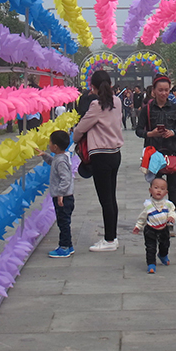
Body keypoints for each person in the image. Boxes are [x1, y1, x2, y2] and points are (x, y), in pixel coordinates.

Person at [74, 70, 124, 252]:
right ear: (110, 84)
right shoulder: (117, 101)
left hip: (100, 156)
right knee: (111, 196)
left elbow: (81, 128)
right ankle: (113, 237)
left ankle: (109, 240)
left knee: (105, 200)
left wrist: (75, 137)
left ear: (92, 87)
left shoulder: (97, 105)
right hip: (115, 154)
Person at [136, 74, 176, 207]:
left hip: (171, 152)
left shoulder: (175, 108)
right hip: (154, 154)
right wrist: (151, 133)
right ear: (154, 91)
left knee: (172, 188)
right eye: (160, 90)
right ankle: (155, 216)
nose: (163, 93)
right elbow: (138, 130)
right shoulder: (147, 109)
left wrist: (173, 133)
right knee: (155, 188)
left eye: (166, 90)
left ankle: (171, 216)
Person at [40, 130, 75, 258]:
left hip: (63, 198)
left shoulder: (61, 161)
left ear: (55, 146)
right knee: (64, 221)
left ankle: (64, 247)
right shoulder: (60, 157)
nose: (49, 144)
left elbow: (66, 178)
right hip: (64, 197)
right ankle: (68, 245)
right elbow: (53, 162)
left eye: (50, 142)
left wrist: (61, 193)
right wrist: (45, 155)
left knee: (63, 222)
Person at [133, 177, 176, 274]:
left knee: (165, 244)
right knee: (150, 247)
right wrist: (138, 226)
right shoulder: (148, 205)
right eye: (156, 188)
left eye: (162, 189)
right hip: (150, 229)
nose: (159, 191)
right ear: (150, 190)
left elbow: (172, 212)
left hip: (163, 228)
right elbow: (142, 217)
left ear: (166, 192)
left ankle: (163, 255)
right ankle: (151, 264)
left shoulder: (168, 204)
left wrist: (171, 217)